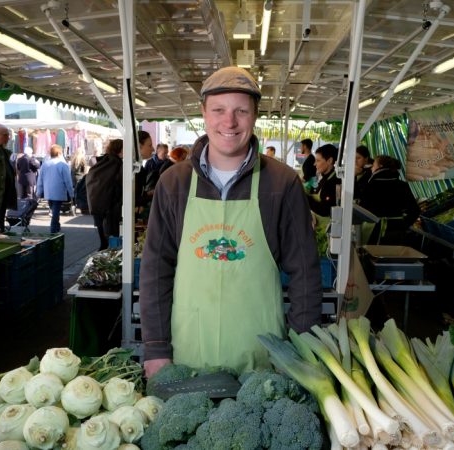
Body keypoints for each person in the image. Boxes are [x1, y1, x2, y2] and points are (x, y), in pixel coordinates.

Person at [139, 66, 323, 377]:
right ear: (204, 113)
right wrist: (156, 348)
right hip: (187, 356)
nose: (230, 121)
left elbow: (305, 274)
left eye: (241, 110)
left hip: (263, 363)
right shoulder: (174, 183)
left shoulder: (281, 183)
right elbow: (156, 269)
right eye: (219, 110)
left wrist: (298, 351)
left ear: (254, 115)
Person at [358, 154, 420, 244]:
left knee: (374, 257)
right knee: (392, 257)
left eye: (374, 165)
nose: (371, 168)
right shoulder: (402, 185)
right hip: (397, 234)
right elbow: (415, 211)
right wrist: (403, 225)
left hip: (374, 234)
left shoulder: (370, 186)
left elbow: (361, 211)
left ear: (380, 166)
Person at [86, 139, 123, 250]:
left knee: (103, 238)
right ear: (120, 149)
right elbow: (118, 184)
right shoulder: (116, 162)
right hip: (108, 206)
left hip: (96, 203)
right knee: (109, 239)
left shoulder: (102, 160)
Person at [36, 144, 74, 233]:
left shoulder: (45, 164)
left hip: (48, 191)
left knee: (54, 209)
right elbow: (68, 180)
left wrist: (39, 191)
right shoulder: (63, 164)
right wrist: (71, 193)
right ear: (59, 153)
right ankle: (54, 229)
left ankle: (56, 226)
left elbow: (40, 179)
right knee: (55, 211)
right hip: (59, 190)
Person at [307, 144, 341, 217]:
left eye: (318, 160)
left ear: (329, 161)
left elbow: (325, 210)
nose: (314, 164)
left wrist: (306, 198)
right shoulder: (323, 178)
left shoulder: (333, 182)